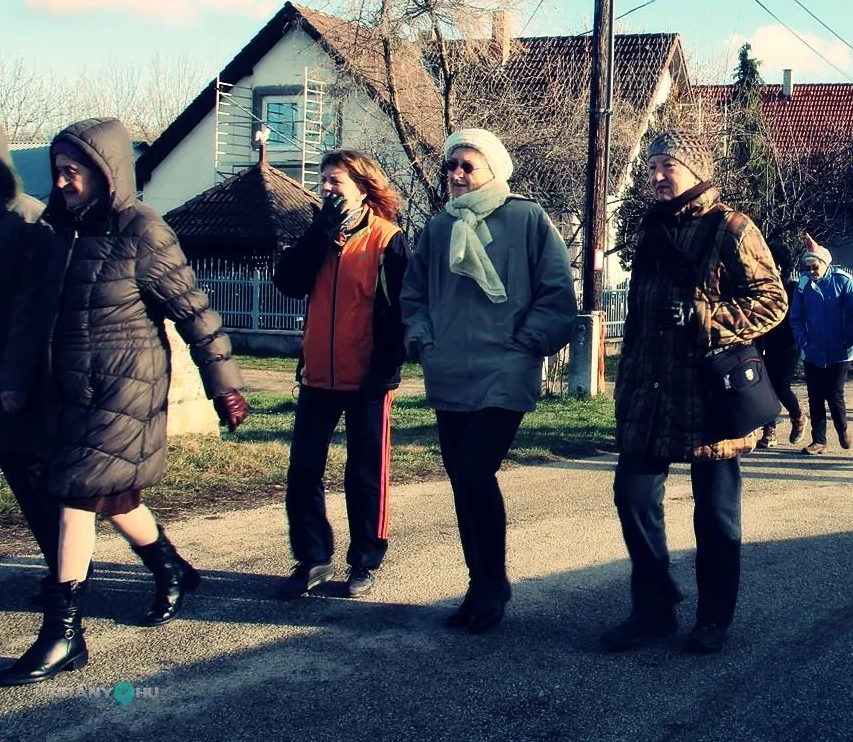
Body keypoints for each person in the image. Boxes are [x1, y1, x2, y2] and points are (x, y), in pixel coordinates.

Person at [0, 118, 249, 688]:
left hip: (125, 387)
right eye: (57, 171)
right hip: (67, 391)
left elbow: (194, 313)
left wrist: (224, 385)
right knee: (112, 497)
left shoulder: (142, 230)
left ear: (104, 172)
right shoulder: (56, 233)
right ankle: (173, 568)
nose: (61, 183)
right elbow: (29, 315)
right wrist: (13, 379)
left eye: (72, 172)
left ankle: (64, 634)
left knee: (74, 497)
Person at [602, 130, 786, 655]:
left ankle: (713, 618)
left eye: (669, 166)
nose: (657, 176)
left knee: (715, 513)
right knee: (633, 497)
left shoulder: (733, 227)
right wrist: (626, 379)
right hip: (651, 392)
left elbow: (773, 301)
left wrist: (706, 318)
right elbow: (638, 311)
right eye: (653, 166)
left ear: (697, 170)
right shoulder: (649, 227)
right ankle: (653, 609)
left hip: (711, 394)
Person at [402, 129, 576, 634]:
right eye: (450, 166)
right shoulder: (437, 229)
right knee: (462, 480)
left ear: (494, 169)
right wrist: (422, 338)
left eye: (466, 166)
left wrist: (527, 341)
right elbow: (413, 294)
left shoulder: (527, 219)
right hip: (449, 371)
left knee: (476, 471)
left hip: (505, 369)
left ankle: (491, 585)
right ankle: (480, 583)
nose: (455, 175)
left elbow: (556, 293)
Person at [272, 150, 408, 600]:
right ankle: (312, 557)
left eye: (337, 182)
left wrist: (385, 370)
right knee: (304, 469)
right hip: (318, 377)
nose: (327, 189)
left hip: (366, 378)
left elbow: (398, 313)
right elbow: (287, 283)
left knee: (364, 473)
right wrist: (318, 235)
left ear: (363, 188)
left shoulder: (387, 239)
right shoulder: (320, 234)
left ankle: (365, 559)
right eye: (324, 181)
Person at [0, 117, 59, 601]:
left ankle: (66, 570)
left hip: (12, 380)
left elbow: (34, 311)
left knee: (33, 478)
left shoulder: (29, 219)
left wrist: (16, 377)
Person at [790, 237, 853, 455]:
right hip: (813, 350)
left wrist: (847, 338)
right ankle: (818, 440)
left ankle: (843, 431)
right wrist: (804, 341)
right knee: (815, 396)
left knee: (834, 393)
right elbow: (796, 317)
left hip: (840, 352)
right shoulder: (803, 285)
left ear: (825, 264)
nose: (811, 271)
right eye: (807, 267)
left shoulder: (842, 281)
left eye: (815, 266)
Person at [755, 241, 806, 449]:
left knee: (780, 386)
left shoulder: (792, 288)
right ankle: (770, 429)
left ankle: (798, 416)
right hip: (762, 342)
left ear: (781, 265)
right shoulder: (759, 288)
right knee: (764, 386)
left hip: (787, 344)